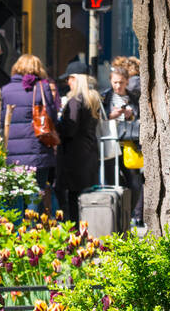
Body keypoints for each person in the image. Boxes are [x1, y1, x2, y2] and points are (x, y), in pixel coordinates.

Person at [3, 54, 60, 211]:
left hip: (12, 154)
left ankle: (15, 232)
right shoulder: (42, 87)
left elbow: (2, 120)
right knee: (36, 193)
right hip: (38, 152)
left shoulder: (5, 91)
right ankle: (32, 232)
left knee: (15, 195)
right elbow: (51, 117)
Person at [58, 58, 100, 223]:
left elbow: (70, 129)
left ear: (76, 79)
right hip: (89, 155)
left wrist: (57, 125)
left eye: (69, 78)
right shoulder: (93, 99)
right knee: (87, 201)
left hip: (74, 158)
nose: (68, 82)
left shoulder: (75, 101)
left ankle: (76, 240)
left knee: (74, 203)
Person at [101, 60, 142, 219]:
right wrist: (111, 116)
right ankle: (116, 215)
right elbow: (99, 119)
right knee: (112, 182)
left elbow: (139, 118)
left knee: (134, 183)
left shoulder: (133, 97)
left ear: (127, 82)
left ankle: (128, 213)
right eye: (115, 82)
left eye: (121, 83)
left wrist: (130, 115)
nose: (118, 86)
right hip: (111, 143)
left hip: (129, 145)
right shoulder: (105, 97)